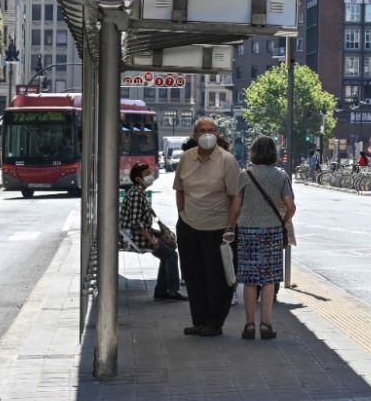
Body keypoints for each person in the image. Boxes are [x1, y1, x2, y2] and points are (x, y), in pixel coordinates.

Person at [173, 118, 240, 337]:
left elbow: (234, 197)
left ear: (218, 134)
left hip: (218, 228)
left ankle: (214, 323)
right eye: (202, 130)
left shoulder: (227, 160)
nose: (207, 134)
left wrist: (230, 226)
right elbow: (180, 189)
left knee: (218, 279)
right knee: (193, 276)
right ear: (194, 135)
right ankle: (199, 321)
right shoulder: (186, 158)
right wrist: (182, 215)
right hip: (189, 225)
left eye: (211, 130)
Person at [227, 136, 296, 341]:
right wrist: (283, 222)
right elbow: (291, 207)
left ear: (253, 152)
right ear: (273, 153)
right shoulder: (281, 176)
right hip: (272, 233)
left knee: (249, 280)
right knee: (268, 280)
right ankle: (266, 324)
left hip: (247, 232)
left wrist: (230, 227)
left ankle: (249, 325)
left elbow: (236, 207)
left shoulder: (244, 175)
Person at [119, 162, 186, 301]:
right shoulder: (136, 194)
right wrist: (152, 240)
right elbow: (136, 223)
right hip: (136, 237)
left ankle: (161, 291)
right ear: (138, 179)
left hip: (140, 233)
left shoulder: (138, 192)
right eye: (147, 174)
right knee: (171, 255)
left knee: (168, 252)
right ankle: (172, 291)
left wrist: (160, 233)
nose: (150, 176)